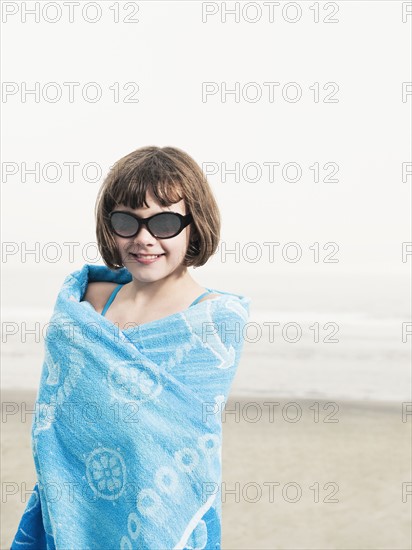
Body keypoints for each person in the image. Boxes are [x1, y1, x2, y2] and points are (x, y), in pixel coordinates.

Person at [10, 145, 250, 550]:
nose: (143, 239)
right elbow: (56, 421)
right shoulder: (84, 303)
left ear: (195, 225)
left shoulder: (213, 319)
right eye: (127, 221)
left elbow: (177, 434)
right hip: (69, 505)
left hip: (160, 513)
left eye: (164, 223)